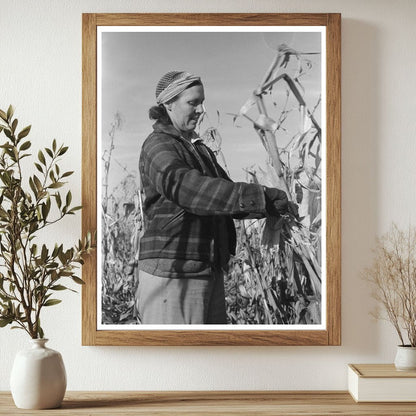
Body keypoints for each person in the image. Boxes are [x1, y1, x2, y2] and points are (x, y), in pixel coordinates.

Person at [136, 70, 289, 325]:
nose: (201, 110)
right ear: (169, 104)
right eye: (193, 103)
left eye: (202, 102)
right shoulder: (157, 145)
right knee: (178, 360)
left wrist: (272, 204)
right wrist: (261, 197)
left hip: (207, 270)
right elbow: (188, 189)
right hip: (174, 273)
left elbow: (226, 195)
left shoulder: (199, 149)